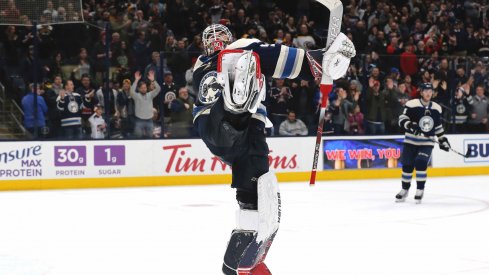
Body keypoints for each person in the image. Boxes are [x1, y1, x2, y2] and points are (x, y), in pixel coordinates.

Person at [192, 24, 355, 274]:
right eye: (211, 37)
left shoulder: (200, 65)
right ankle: (236, 104)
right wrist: (319, 59)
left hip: (231, 139)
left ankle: (239, 259)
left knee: (254, 193)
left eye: (220, 35)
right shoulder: (236, 49)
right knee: (249, 59)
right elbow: (278, 56)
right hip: (225, 122)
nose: (216, 40)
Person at [396, 83, 451, 204]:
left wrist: (442, 139)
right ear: (421, 92)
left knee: (421, 163)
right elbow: (401, 119)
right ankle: (404, 189)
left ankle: (420, 189)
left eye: (430, 91)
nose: (428, 93)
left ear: (433, 93)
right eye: (425, 91)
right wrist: (410, 125)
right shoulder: (412, 104)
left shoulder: (437, 108)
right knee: (407, 166)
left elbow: (437, 126)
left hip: (426, 143)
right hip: (410, 141)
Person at [130, 70, 160, 138]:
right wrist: (136, 80)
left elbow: (158, 89)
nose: (144, 89)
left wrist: (153, 80)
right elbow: (131, 91)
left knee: (150, 138)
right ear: (139, 89)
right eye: (142, 88)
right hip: (139, 120)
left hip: (149, 120)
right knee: (138, 137)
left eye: (145, 87)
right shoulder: (136, 96)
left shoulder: (150, 95)